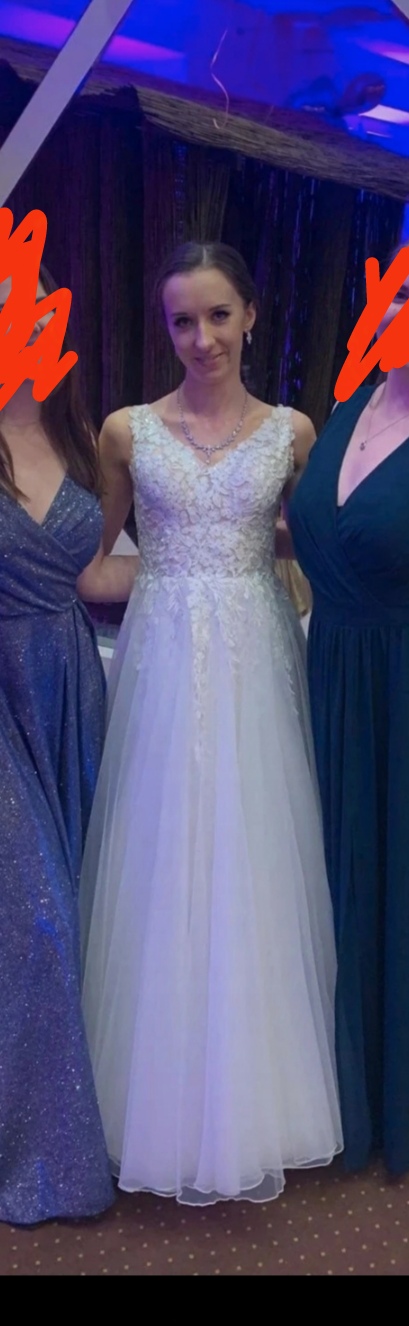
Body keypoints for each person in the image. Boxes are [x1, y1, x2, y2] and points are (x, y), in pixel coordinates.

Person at [80, 241, 342, 1206]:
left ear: (251, 315)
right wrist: (162, 577)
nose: (201, 338)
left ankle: (258, 1105)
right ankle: (148, 1103)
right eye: (182, 321)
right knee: (158, 864)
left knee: (253, 861)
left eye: (217, 315)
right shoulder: (126, 431)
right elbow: (94, 560)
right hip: (160, 669)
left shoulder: (292, 434)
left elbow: (317, 544)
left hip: (256, 670)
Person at [0, 264, 137, 1225]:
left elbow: (90, 576)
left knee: (93, 912)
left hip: (71, 690)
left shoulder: (77, 430)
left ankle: (108, 1123)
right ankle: (45, 1158)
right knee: (38, 919)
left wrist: (213, 555)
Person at [289, 242, 409, 1177]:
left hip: (397, 689)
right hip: (324, 675)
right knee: (327, 879)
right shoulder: (346, 407)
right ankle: (331, 1097)